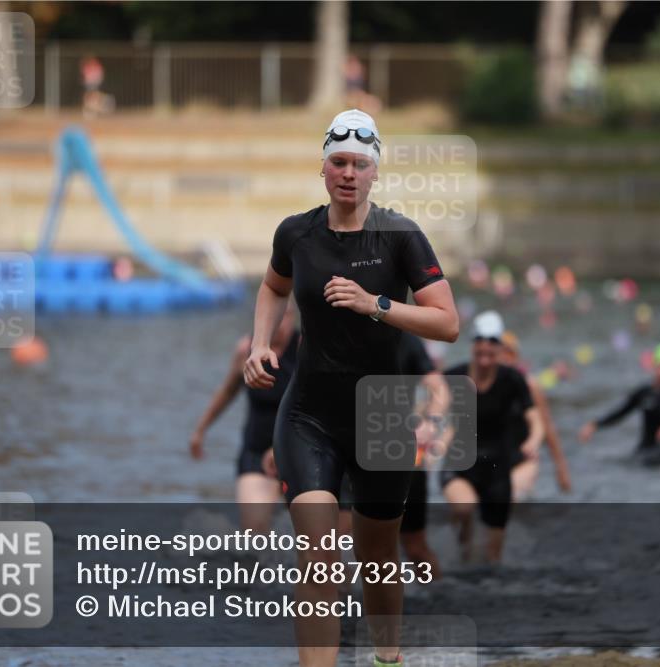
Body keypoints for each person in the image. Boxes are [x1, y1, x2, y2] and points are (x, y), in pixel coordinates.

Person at [243, 109, 458, 667]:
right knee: (318, 559)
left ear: (375, 172)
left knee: (378, 558)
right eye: (338, 162)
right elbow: (273, 287)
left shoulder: (401, 236)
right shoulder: (296, 233)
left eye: (360, 164)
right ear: (322, 168)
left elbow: (447, 323)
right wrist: (260, 344)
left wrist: (375, 304)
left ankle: (388, 659)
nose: (348, 173)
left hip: (382, 415)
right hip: (309, 414)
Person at [440, 312, 541, 564]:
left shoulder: (512, 379)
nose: (485, 358)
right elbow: (429, 407)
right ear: (472, 346)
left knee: (493, 557)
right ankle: (461, 551)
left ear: (500, 349)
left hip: (497, 468)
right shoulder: (454, 376)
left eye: (491, 350)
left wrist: (533, 440)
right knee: (465, 508)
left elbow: (536, 420)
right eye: (480, 350)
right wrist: (429, 430)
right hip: (460, 463)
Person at [189, 304, 300, 533]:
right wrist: (200, 430)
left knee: (315, 533)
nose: (280, 323)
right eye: (274, 315)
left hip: (300, 450)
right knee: (255, 530)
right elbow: (228, 391)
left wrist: (284, 447)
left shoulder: (304, 348)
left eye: (285, 315)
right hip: (256, 450)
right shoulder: (245, 350)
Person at [579, 343, 660, 466]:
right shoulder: (644, 393)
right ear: (654, 366)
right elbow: (621, 412)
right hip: (645, 451)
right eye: (659, 367)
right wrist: (595, 425)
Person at [396, 332, 447, 580]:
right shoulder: (341, 334)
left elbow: (440, 390)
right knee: (335, 540)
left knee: (415, 548)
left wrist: (430, 422)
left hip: (403, 456)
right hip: (348, 452)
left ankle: (439, 595)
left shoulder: (406, 340)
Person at [498, 331, 572, 500]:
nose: (504, 358)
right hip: (495, 460)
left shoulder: (530, 386)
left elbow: (547, 427)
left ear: (516, 356)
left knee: (509, 495)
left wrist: (561, 467)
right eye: (500, 352)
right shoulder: (483, 386)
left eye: (509, 352)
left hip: (524, 460)